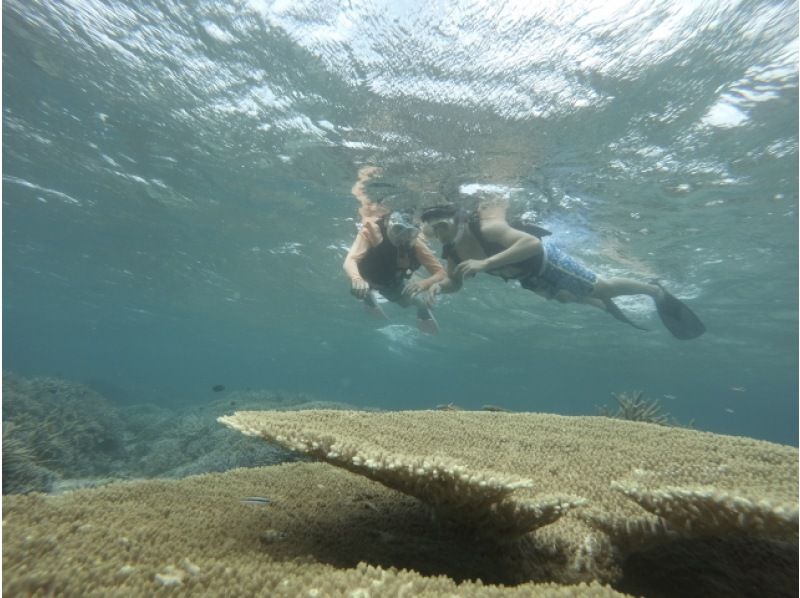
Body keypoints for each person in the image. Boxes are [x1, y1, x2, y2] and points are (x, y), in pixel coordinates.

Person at [420, 198, 705, 339]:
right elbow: (455, 283)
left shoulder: (488, 228)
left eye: (443, 226)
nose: (440, 235)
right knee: (567, 298)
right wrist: (438, 287)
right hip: (528, 277)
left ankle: (653, 290)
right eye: (433, 232)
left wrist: (486, 263)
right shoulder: (452, 252)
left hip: (546, 262)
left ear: (457, 221)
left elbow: (531, 243)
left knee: (602, 287)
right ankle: (603, 305)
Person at [343, 167, 447, 333]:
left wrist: (423, 283)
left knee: (414, 301)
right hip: (366, 275)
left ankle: (422, 311)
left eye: (409, 232)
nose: (402, 237)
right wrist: (356, 278)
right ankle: (368, 296)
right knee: (358, 288)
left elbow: (441, 273)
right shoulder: (372, 231)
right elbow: (351, 260)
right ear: (387, 224)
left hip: (391, 282)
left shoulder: (415, 243)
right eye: (398, 229)